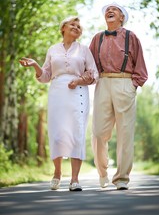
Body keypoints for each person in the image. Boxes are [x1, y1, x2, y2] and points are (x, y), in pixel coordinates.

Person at [19, 16, 99, 191]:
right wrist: (35, 65)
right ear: (63, 27)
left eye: (79, 26)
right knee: (57, 133)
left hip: (78, 92)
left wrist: (78, 81)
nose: (77, 27)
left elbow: (94, 74)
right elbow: (46, 76)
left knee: (77, 132)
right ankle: (57, 172)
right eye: (73, 24)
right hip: (57, 92)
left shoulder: (84, 50)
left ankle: (75, 179)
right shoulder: (52, 49)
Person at [89, 2, 148, 190]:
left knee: (125, 133)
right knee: (98, 133)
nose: (110, 11)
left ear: (122, 17)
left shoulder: (131, 37)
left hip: (125, 83)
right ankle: (102, 172)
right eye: (107, 9)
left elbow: (141, 67)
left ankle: (122, 178)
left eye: (115, 9)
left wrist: (132, 85)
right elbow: (89, 66)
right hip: (103, 83)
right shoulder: (97, 38)